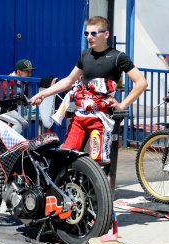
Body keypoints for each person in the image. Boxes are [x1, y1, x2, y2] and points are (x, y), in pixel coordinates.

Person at [30, 16, 148, 174]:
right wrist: (43, 94)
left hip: (100, 119)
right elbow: (69, 81)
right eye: (87, 34)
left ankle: (98, 196)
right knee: (66, 154)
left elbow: (141, 82)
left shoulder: (118, 57)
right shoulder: (85, 55)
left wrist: (122, 104)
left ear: (105, 34)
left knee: (98, 162)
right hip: (79, 117)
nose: (89, 37)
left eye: (93, 33)